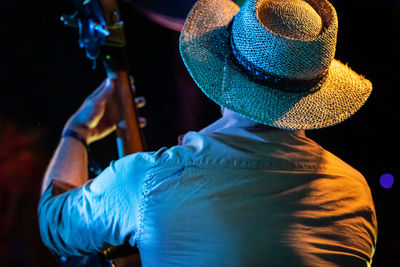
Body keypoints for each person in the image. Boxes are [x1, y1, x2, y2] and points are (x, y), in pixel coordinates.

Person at [38, 0, 378, 266]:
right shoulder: (354, 193)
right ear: (314, 94)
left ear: (224, 71)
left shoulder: (154, 178)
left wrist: (77, 131)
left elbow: (54, 224)